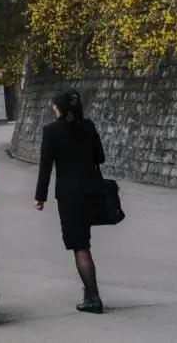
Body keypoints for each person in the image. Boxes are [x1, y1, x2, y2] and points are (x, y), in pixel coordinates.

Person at [34, 90, 106, 314]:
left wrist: (40, 196)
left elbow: (46, 165)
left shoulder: (51, 131)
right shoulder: (88, 126)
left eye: (54, 107)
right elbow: (100, 157)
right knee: (84, 241)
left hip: (69, 196)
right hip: (91, 191)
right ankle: (89, 292)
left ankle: (93, 297)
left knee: (80, 246)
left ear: (60, 109)